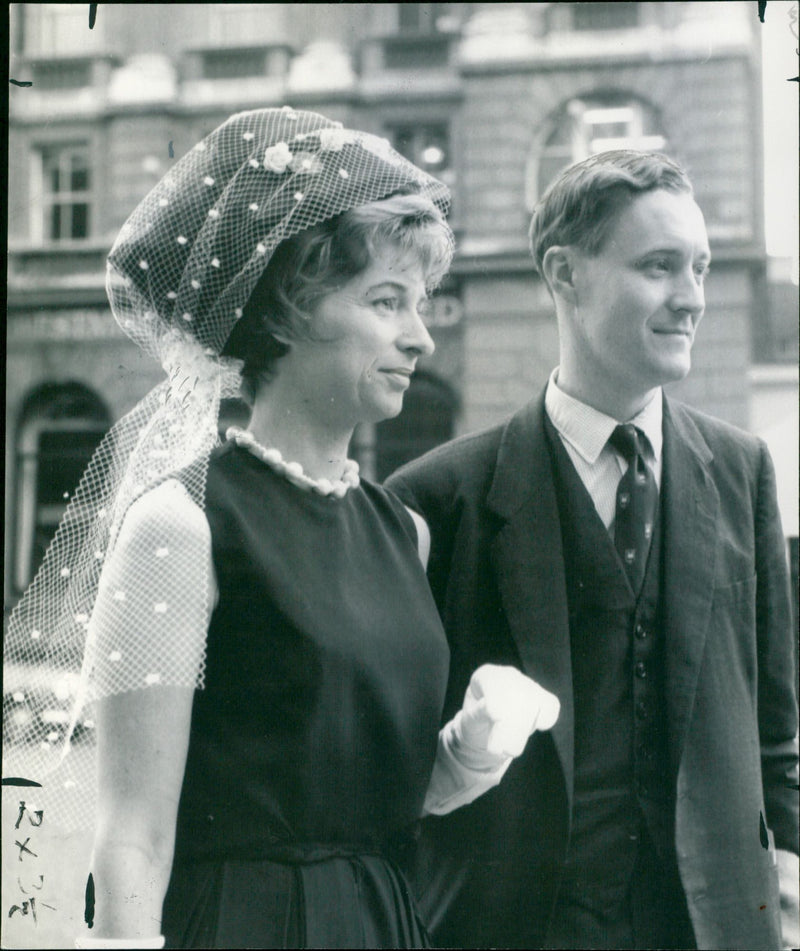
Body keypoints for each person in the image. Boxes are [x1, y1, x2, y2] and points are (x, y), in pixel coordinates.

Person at [3, 108, 560, 950]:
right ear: (288, 311)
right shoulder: (180, 523)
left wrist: (475, 744)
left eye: (420, 303)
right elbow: (134, 832)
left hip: (381, 922)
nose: (420, 334)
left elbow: (390, 798)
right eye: (385, 301)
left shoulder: (400, 530)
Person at [387, 150, 799, 950]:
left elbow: (776, 736)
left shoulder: (742, 469)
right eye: (659, 266)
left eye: (701, 269)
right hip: (505, 930)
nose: (692, 299)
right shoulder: (437, 496)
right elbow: (396, 773)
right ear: (565, 275)